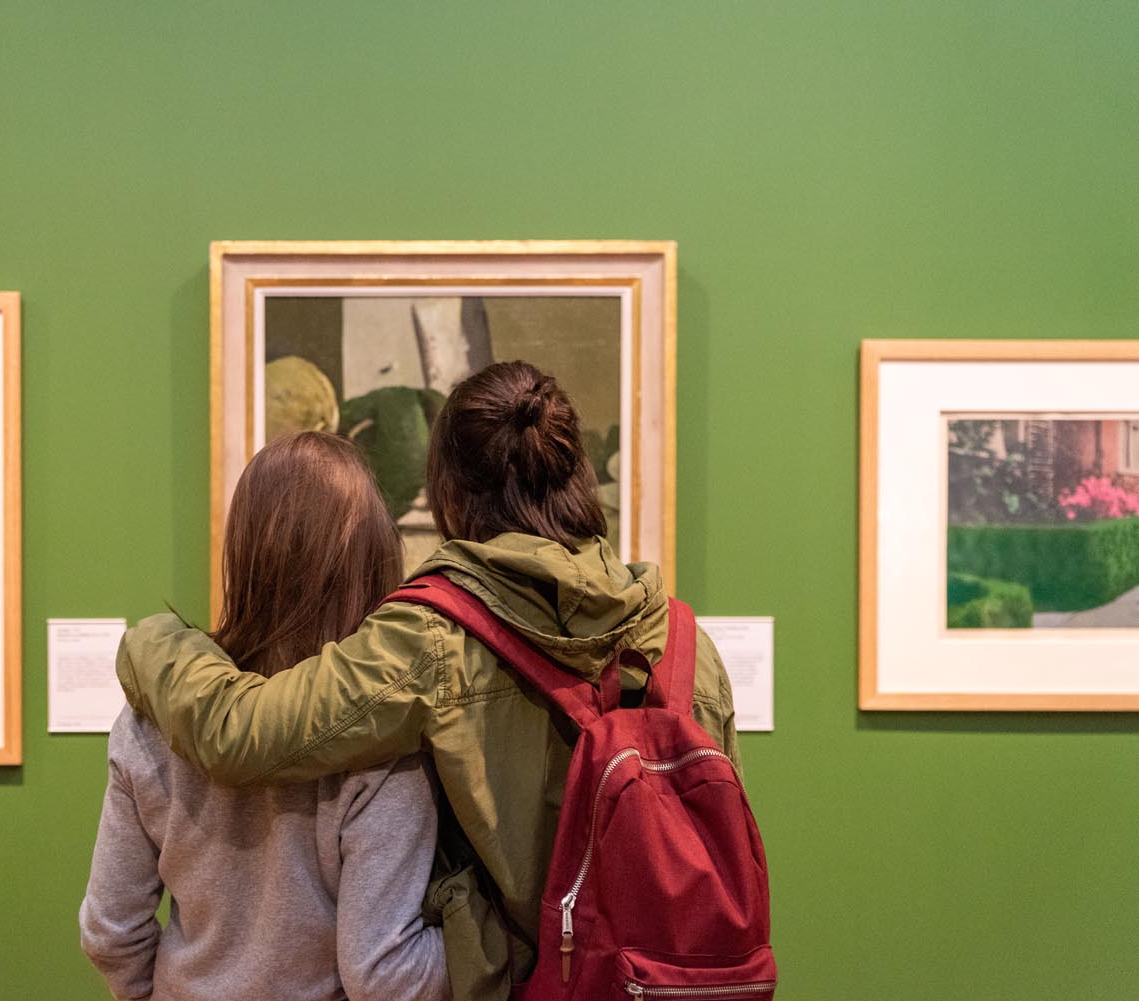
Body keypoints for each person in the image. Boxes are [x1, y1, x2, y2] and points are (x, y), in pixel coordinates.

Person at [117, 361, 740, 999]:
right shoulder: (687, 645)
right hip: (680, 981)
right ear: (577, 476)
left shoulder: (431, 640)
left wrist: (152, 639)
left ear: (446, 492)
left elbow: (238, 733)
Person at [80, 431, 450, 1001]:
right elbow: (384, 976)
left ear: (244, 554)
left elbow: (109, 931)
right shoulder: (385, 738)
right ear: (373, 557)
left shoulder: (153, 718)